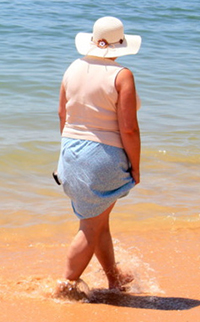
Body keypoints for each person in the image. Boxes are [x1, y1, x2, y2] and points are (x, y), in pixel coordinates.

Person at [54, 16, 142, 298]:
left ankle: (114, 279)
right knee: (91, 226)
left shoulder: (73, 67)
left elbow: (62, 115)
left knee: (98, 220)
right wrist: (135, 167)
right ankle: (64, 287)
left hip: (70, 152)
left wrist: (69, 154)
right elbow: (128, 128)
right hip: (103, 156)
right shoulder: (121, 75)